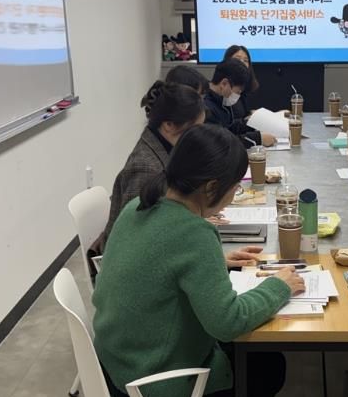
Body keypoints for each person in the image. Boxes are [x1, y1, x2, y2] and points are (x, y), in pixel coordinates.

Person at [93, 124, 305, 397]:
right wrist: (280, 286)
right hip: (152, 389)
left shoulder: (137, 206)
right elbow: (228, 322)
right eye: (234, 188)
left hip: (114, 369)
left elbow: (157, 264)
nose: (233, 196)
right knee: (269, 363)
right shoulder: (195, 233)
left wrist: (215, 263)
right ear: (211, 188)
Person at [99, 77, 206, 251]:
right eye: (194, 128)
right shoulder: (145, 169)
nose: (196, 135)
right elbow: (135, 237)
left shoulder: (162, 146)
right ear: (169, 125)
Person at [204, 59, 276, 147]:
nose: (238, 96)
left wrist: (252, 122)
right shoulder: (206, 108)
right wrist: (258, 139)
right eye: (238, 92)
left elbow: (229, 128)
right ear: (224, 83)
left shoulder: (220, 101)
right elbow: (221, 142)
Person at [222, 44, 259, 117]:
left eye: (245, 60)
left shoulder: (246, 87)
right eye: (237, 59)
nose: (242, 63)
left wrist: (251, 114)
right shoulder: (223, 86)